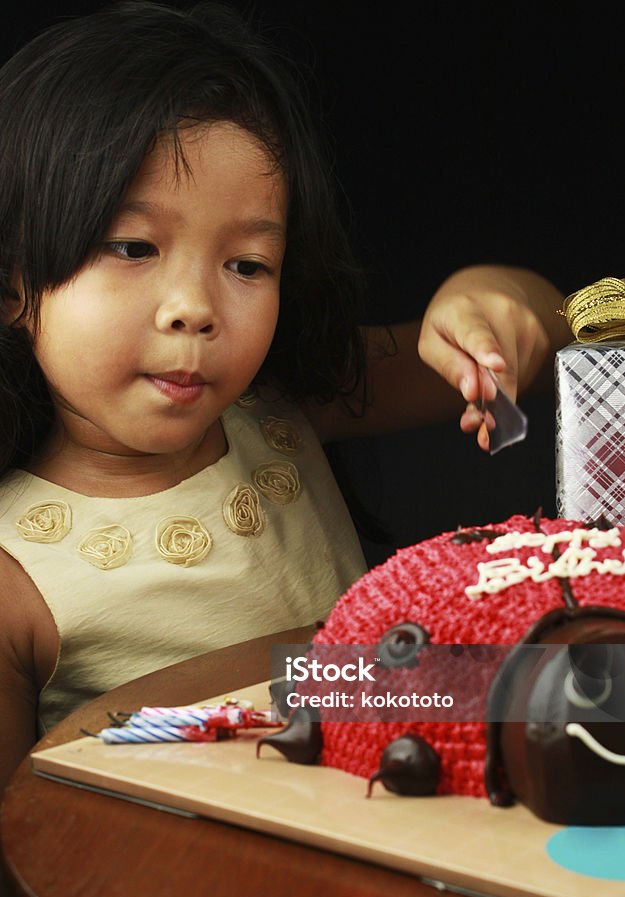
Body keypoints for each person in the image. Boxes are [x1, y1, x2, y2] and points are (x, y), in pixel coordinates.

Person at [0, 0, 572, 795]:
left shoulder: (281, 409)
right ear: (14, 283)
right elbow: (25, 851)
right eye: (134, 247)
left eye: (246, 264)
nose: (193, 307)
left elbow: (550, 329)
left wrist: (486, 306)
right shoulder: (14, 577)